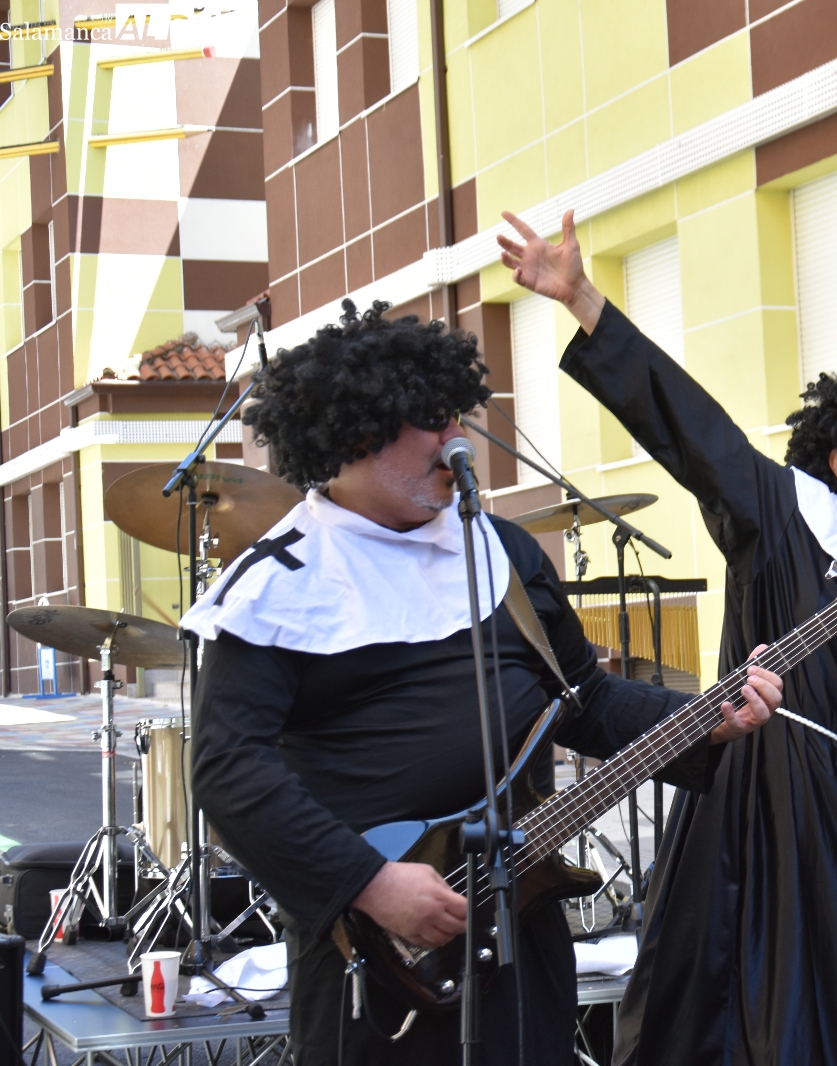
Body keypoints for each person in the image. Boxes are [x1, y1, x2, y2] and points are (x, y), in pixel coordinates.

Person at [187, 300, 782, 1066]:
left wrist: (705, 719)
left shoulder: (501, 552)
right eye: (433, 422)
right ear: (360, 434)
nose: (456, 438)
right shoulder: (278, 582)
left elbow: (585, 702)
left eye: (455, 415)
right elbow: (228, 770)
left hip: (518, 910)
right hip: (374, 947)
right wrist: (366, 881)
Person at [498, 209, 837, 1065]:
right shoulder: (782, 514)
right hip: (763, 804)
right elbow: (696, 431)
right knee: (738, 1007)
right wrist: (586, 301)